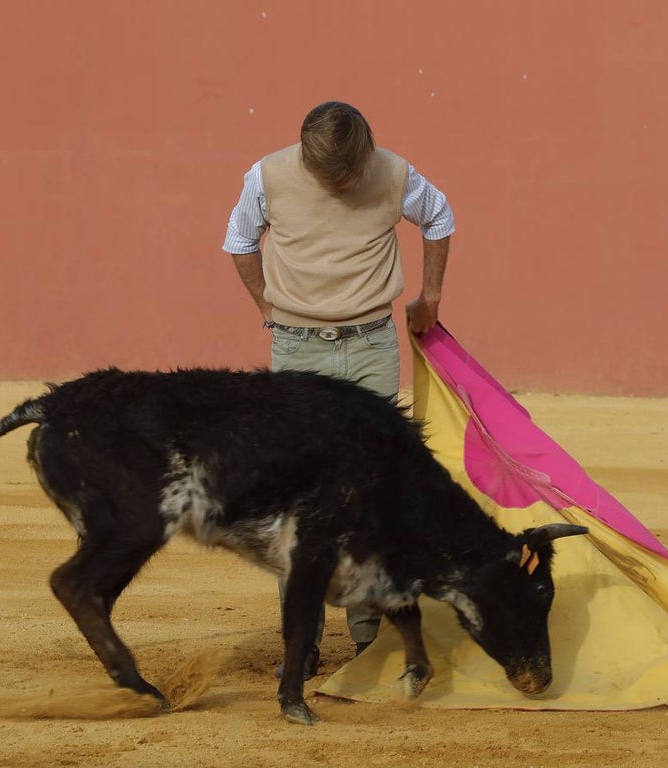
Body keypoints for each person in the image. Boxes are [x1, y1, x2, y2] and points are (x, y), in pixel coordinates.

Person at [222, 100, 455, 677]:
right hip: (298, 347)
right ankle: (300, 644)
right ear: (307, 158)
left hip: (371, 343)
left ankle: (368, 644)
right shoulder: (268, 175)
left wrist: (431, 298)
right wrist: (268, 311)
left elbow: (441, 218)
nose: (345, 185)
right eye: (333, 177)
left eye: (350, 174)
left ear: (365, 153)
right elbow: (238, 242)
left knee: (370, 491)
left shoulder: (393, 171)